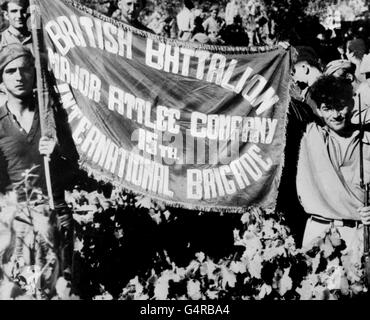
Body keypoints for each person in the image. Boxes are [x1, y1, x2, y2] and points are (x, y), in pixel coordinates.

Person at [0, 44, 80, 278]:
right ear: (1, 78)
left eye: (25, 69)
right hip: (17, 221)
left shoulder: (52, 116)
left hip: (54, 212)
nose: (19, 76)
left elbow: (77, 166)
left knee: (59, 287)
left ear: (34, 73)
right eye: (10, 71)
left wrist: (58, 151)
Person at [296, 75, 370, 255]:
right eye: (327, 108)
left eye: (340, 106)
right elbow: (281, 104)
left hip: (359, 235)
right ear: (319, 111)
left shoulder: (368, 138)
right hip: (318, 233)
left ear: (352, 104)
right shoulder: (310, 135)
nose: (335, 115)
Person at [292, 46, 323, 116]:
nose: (294, 79)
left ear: (304, 68)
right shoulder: (334, 81)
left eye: (293, 73)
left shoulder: (312, 95)